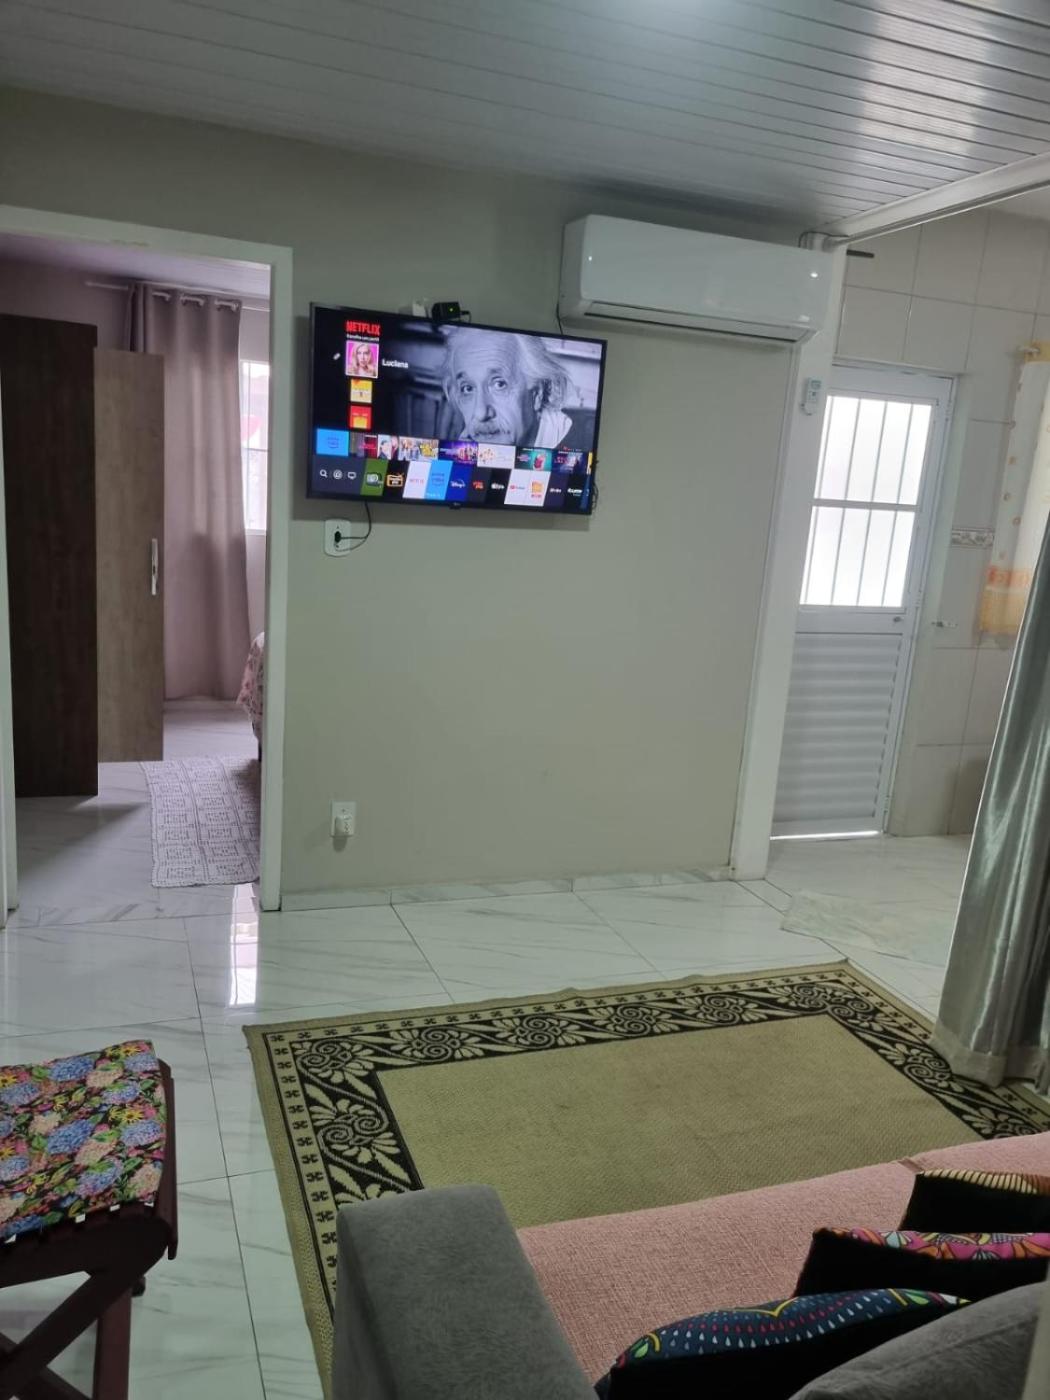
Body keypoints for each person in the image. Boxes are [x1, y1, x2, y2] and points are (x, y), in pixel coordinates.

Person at [440, 329, 588, 449]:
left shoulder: (583, 444)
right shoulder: (465, 448)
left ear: (537, 394)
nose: (481, 413)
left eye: (499, 384)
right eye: (467, 388)